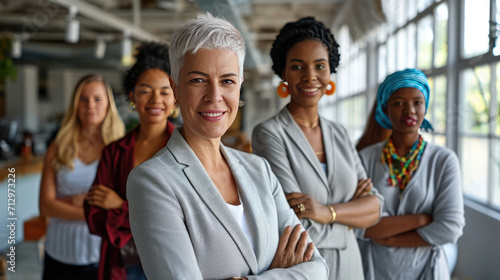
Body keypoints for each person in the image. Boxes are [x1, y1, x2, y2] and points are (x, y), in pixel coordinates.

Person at [126, 13, 328, 280]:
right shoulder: (153, 181)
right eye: (198, 80)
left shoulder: (260, 170)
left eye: (227, 81)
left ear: (239, 86)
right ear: (175, 88)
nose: (214, 96)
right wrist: (279, 273)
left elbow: (318, 268)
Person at [251, 17, 382, 280]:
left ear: (329, 71)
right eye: (297, 66)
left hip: (352, 267)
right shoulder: (269, 134)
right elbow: (294, 224)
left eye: (319, 66)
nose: (310, 76)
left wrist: (326, 212)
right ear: (284, 74)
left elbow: (376, 207)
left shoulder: (339, 133)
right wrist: (351, 217)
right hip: (305, 267)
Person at [358, 68, 465, 279]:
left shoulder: (443, 160)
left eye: (417, 102)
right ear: (385, 107)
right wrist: (421, 219)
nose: (410, 110)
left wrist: (388, 238)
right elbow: (360, 227)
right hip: (373, 269)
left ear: (425, 106)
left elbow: (450, 228)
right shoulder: (365, 158)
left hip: (428, 270)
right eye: (398, 103)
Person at [84, 42, 177, 280]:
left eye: (165, 91)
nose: (156, 99)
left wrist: (120, 206)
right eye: (145, 90)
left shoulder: (187, 151)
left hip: (174, 260)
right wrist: (146, 216)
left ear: (175, 98)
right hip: (124, 264)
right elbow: (94, 215)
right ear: (132, 96)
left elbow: (182, 219)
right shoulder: (114, 152)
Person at [39, 74, 125, 280]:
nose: (90, 106)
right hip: (58, 254)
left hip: (101, 257)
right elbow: (45, 206)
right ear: (75, 104)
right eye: (83, 99)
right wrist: (95, 210)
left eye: (97, 99)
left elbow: (124, 205)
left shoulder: (120, 149)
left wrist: (70, 202)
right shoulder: (57, 147)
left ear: (108, 104)